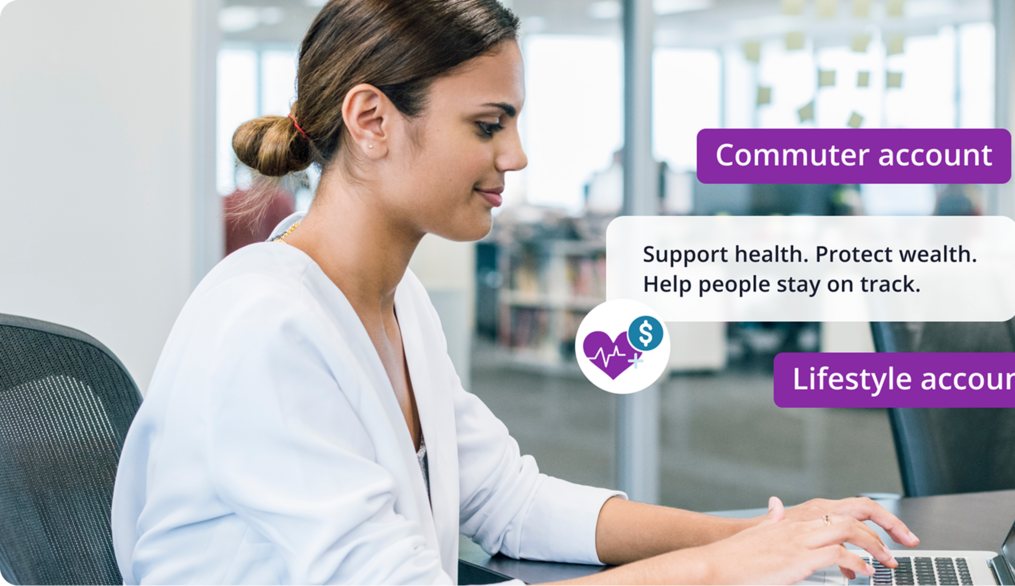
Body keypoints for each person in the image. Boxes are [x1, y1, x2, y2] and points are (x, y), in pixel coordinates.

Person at [109, 1, 918, 585]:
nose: (520, 154)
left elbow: (511, 501)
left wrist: (766, 533)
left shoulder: (395, 303)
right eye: (489, 125)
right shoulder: (265, 326)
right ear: (372, 119)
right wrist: (717, 568)